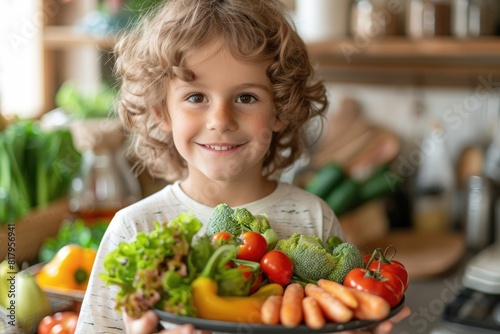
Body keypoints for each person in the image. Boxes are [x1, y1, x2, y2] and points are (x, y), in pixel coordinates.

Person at [75, 0, 410, 333]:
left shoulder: (314, 217)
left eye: (246, 97)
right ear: (162, 111)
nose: (220, 121)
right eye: (196, 97)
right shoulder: (134, 228)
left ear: (280, 109)